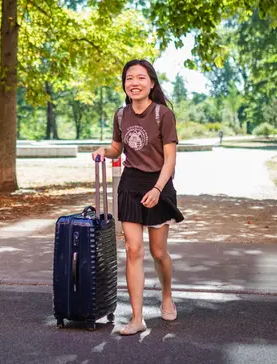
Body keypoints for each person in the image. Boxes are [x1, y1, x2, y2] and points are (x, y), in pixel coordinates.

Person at [92, 59, 185, 336]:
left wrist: (157, 190)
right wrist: (103, 151)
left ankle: (166, 295)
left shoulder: (163, 115)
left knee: (158, 252)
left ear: (151, 83)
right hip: (131, 184)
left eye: (141, 78)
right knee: (133, 250)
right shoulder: (121, 115)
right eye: (129, 78)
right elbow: (117, 148)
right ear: (124, 85)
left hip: (159, 183)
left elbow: (170, 160)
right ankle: (136, 318)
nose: (135, 82)